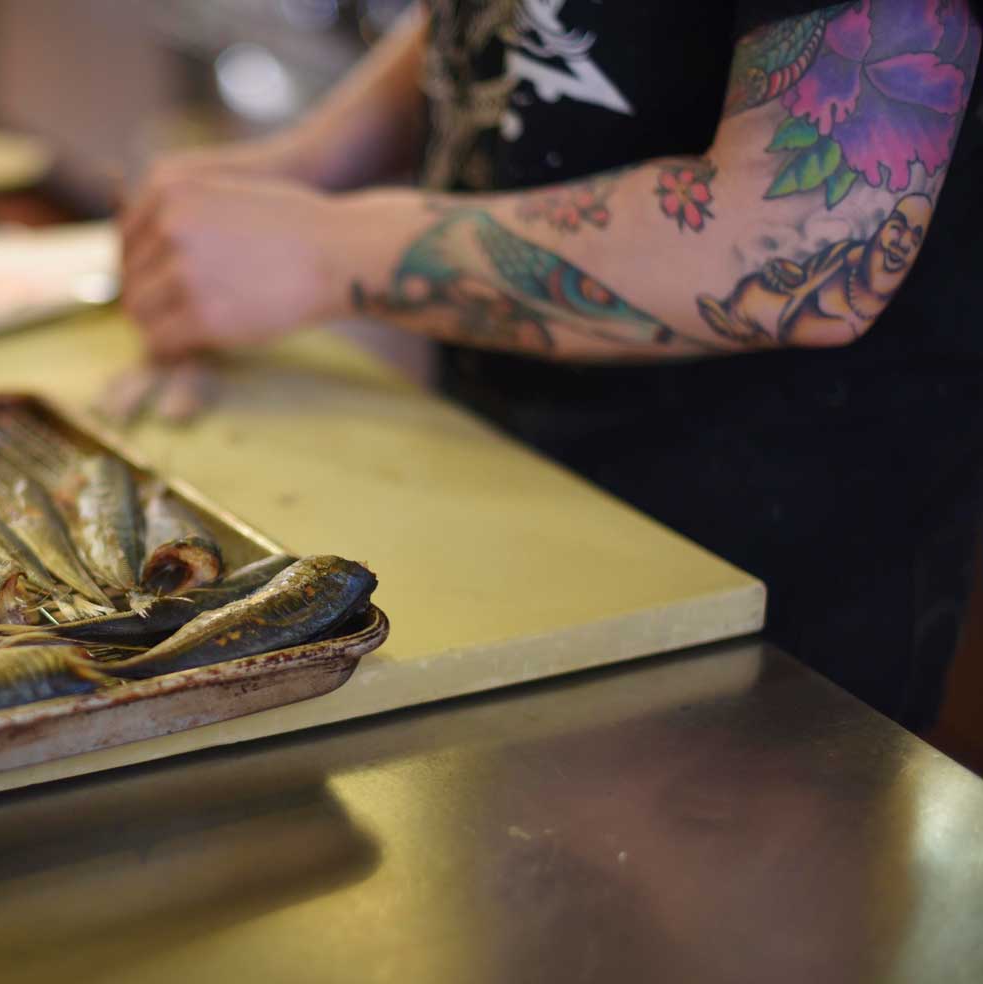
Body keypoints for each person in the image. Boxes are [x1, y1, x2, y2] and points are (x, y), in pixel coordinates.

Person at [118, 0, 983, 730]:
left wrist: (330, 250)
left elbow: (813, 241)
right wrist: (312, 164)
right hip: (509, 483)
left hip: (763, 591)